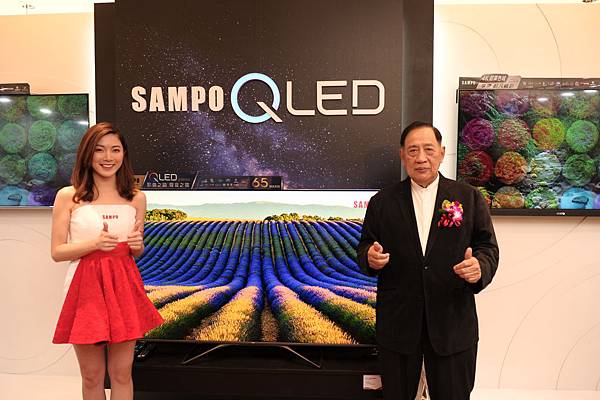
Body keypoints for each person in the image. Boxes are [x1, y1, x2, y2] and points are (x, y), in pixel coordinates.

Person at [357, 121, 499, 400]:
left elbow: (487, 247)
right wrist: (369, 258)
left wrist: (479, 267)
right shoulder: (382, 202)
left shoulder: (468, 198)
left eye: (428, 149)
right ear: (402, 155)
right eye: (413, 150)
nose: (421, 158)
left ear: (442, 153)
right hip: (398, 327)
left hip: (452, 325)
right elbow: (364, 247)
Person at [51, 122, 163, 400]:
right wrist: (94, 245)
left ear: (124, 154)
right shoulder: (68, 196)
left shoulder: (136, 198)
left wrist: (137, 246)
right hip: (84, 288)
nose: (108, 157)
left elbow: (136, 250)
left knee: (122, 373)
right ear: (87, 153)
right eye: (99, 150)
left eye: (115, 150)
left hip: (124, 286)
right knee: (91, 376)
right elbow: (57, 251)